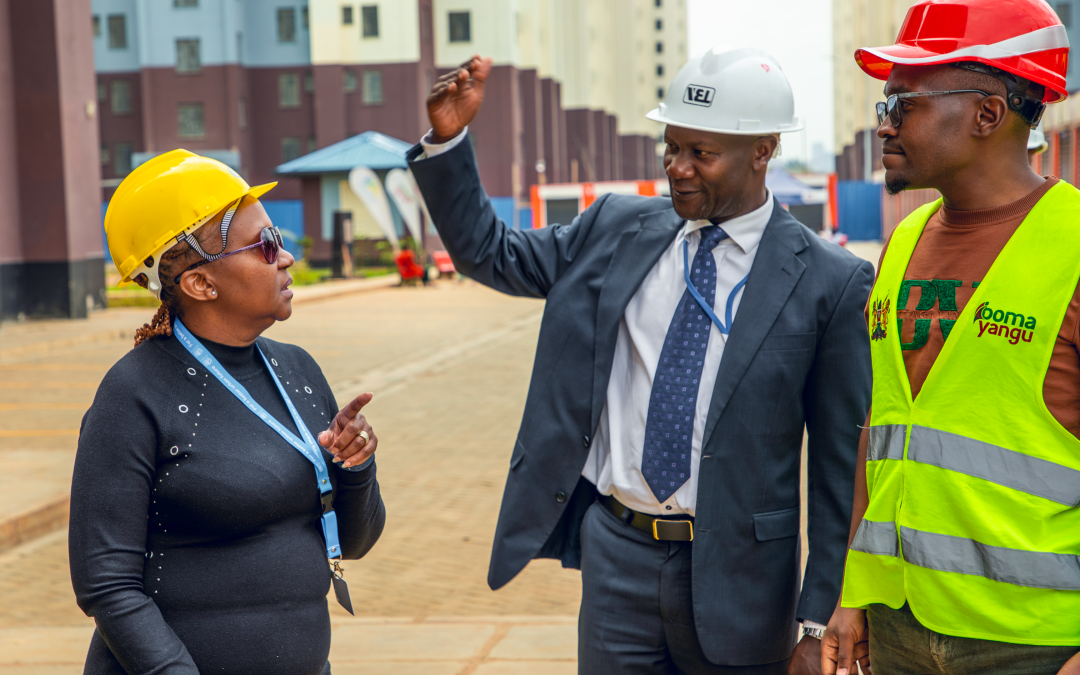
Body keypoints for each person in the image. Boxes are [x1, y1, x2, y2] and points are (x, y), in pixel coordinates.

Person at [410, 47, 874, 674]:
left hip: (742, 580)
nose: (678, 169)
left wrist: (819, 617)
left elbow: (838, 469)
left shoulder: (830, 281)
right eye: (671, 147)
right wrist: (448, 140)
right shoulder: (614, 227)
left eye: (701, 154)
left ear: (762, 151)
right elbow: (491, 254)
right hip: (616, 559)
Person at [820, 2, 1080, 674]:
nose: (885, 123)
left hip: (1034, 642)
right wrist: (854, 590)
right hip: (899, 626)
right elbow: (881, 432)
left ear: (988, 114)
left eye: (903, 102)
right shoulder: (902, 244)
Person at [69, 150, 386, 674]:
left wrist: (355, 468)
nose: (284, 258)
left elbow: (354, 542)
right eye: (265, 245)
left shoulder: (297, 372)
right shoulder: (131, 394)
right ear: (200, 283)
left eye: (278, 239)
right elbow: (106, 583)